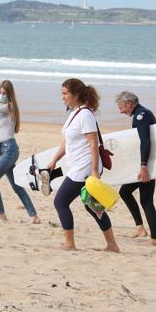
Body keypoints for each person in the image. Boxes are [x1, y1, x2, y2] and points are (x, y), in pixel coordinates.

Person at [46, 78, 120, 252]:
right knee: (91, 205)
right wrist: (54, 159)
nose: (62, 97)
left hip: (85, 167)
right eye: (62, 93)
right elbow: (66, 142)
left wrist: (94, 171)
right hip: (78, 165)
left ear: (76, 94)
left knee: (60, 201)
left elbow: (93, 144)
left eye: (65, 94)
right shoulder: (75, 112)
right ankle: (112, 245)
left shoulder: (85, 114)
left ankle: (70, 244)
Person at [0, 80, 40, 223]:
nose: (2, 95)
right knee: (16, 186)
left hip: (9, 149)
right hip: (4, 149)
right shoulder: (2, 110)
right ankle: (34, 217)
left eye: (4, 93)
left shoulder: (8, 106)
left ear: (9, 94)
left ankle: (1, 215)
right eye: (0, 93)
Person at [115, 91, 156, 246]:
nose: (120, 111)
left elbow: (145, 142)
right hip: (145, 163)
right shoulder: (141, 113)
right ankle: (140, 228)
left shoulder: (141, 116)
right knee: (125, 192)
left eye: (121, 107)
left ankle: (155, 240)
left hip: (147, 164)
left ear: (129, 104)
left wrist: (144, 166)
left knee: (146, 200)